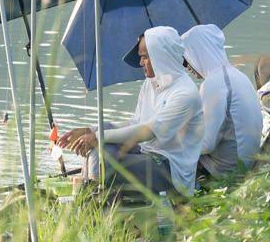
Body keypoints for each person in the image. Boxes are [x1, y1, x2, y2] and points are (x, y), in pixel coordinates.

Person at [57, 25, 203, 201]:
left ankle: (91, 196)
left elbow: (148, 131)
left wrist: (98, 137)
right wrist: (92, 130)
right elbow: (136, 123)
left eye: (145, 57)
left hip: (169, 169)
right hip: (145, 153)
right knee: (103, 133)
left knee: (104, 153)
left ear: (161, 56)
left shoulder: (185, 93)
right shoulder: (152, 83)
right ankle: (93, 190)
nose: (141, 63)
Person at [181, 23, 263, 177]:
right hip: (245, 161)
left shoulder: (214, 83)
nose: (186, 66)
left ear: (198, 53)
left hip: (225, 171)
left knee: (162, 158)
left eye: (186, 59)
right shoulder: (237, 75)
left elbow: (206, 144)